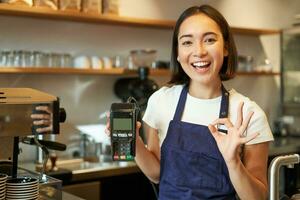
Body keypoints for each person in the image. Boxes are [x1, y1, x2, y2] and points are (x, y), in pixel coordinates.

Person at [107, 5, 273, 200]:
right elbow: (157, 174)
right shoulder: (161, 101)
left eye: (209, 40)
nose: (199, 51)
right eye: (187, 42)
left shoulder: (248, 113)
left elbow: (258, 198)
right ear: (178, 53)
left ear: (226, 48)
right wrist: (134, 143)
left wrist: (233, 161)